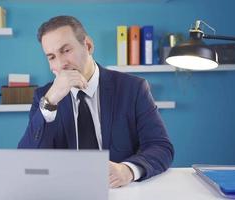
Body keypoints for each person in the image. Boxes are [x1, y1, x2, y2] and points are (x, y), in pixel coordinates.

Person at [18, 15, 174, 188]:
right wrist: (50, 102)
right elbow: (27, 161)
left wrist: (127, 170)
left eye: (66, 50)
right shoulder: (45, 97)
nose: (61, 63)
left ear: (88, 45)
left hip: (119, 192)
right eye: (52, 57)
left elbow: (160, 146)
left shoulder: (133, 88)